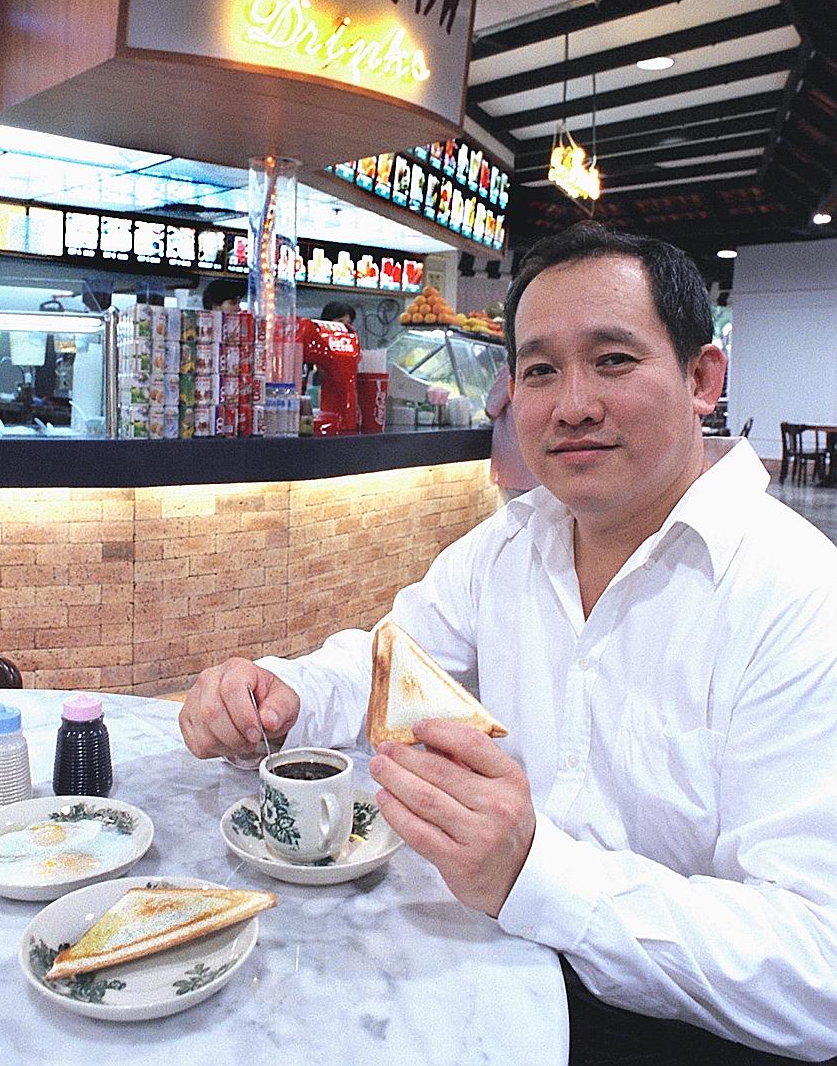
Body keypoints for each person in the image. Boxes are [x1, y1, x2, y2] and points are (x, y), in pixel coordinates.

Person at [180, 222, 837, 1064]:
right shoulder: (509, 545)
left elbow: (818, 964)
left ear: (703, 377)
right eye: (539, 370)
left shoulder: (795, 593)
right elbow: (387, 661)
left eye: (613, 360)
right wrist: (282, 693)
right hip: (481, 974)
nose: (572, 404)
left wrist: (534, 874)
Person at [485, 363, 538, 501]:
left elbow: (491, 409)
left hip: (515, 466)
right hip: (538, 468)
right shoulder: (542, 369)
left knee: (517, 517)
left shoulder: (511, 369)